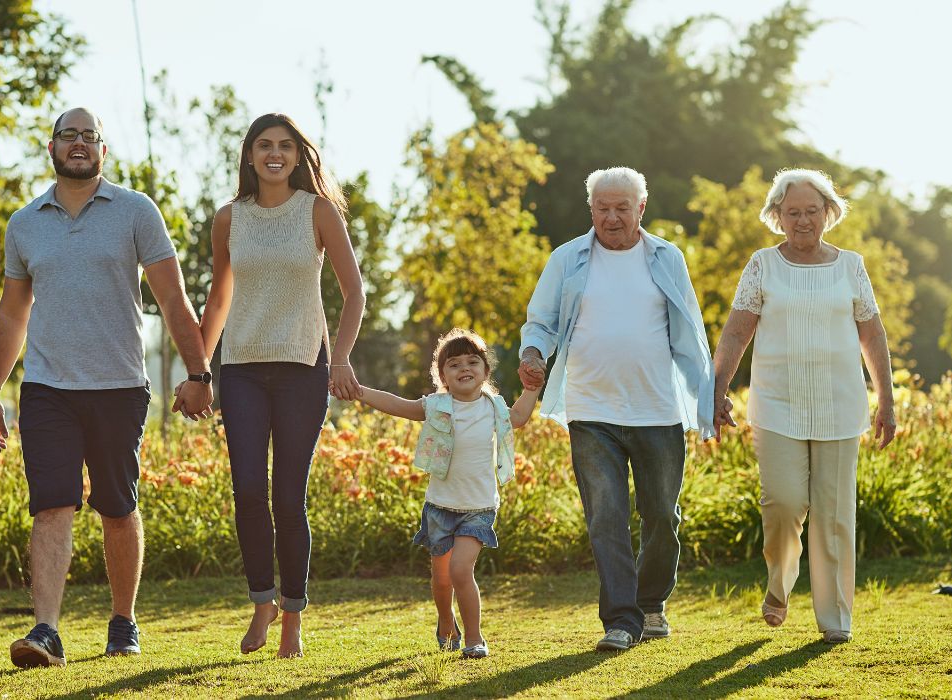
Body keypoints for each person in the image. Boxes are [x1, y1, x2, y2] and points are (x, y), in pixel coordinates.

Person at [0, 107, 213, 669]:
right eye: (69, 135)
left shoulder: (137, 212)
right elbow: (12, 316)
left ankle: (123, 622)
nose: (79, 143)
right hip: (47, 388)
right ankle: (46, 632)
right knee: (51, 506)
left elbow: (173, 300)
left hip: (119, 386)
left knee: (116, 505)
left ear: (103, 151)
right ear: (52, 148)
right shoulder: (25, 223)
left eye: (90, 135)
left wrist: (200, 374)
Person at [187, 113, 364, 658]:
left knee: (288, 497)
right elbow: (217, 299)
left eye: (285, 146)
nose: (275, 153)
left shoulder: (318, 211)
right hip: (240, 368)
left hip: (303, 368)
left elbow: (353, 292)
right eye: (264, 145)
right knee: (246, 492)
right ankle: (261, 600)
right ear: (249, 154)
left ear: (298, 155)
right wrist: (198, 370)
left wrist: (342, 361)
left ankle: (292, 616)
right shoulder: (227, 220)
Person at [518, 166, 715, 651]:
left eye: (621, 208)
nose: (611, 217)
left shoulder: (668, 258)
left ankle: (651, 603)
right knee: (606, 517)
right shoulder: (568, 258)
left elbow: (690, 337)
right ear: (592, 210)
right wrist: (531, 355)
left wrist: (710, 394)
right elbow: (539, 322)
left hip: (657, 409)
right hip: (591, 408)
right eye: (602, 208)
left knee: (661, 517)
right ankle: (622, 620)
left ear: (640, 209)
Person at [711, 168, 896, 644]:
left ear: (828, 213)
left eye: (812, 211)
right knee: (783, 503)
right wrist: (717, 388)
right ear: (777, 216)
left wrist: (886, 401)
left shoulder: (851, 265)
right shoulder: (762, 265)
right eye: (792, 212)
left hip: (839, 404)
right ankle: (779, 585)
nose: (803, 220)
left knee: (835, 514)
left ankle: (835, 619)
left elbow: (871, 333)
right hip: (777, 403)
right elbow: (737, 331)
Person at [354, 328, 540, 658]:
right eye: (454, 364)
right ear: (443, 376)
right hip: (440, 506)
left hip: (478, 508)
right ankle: (445, 620)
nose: (464, 368)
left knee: (459, 571)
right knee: (442, 582)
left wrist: (530, 390)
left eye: (472, 361)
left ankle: (474, 638)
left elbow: (521, 417)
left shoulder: (494, 408)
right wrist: (358, 391)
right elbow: (397, 405)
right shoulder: (436, 406)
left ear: (485, 370)